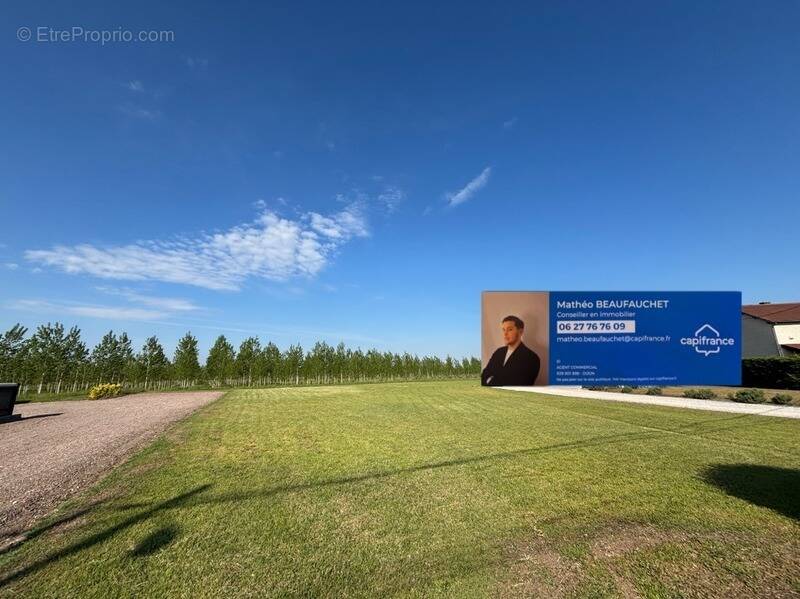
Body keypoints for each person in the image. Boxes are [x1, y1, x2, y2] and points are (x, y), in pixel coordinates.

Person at [481, 315, 540, 386]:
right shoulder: (498, 352)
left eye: (510, 329)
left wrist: (491, 380)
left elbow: (518, 385)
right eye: (503, 330)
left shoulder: (532, 358)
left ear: (520, 332)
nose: (505, 334)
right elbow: (484, 376)